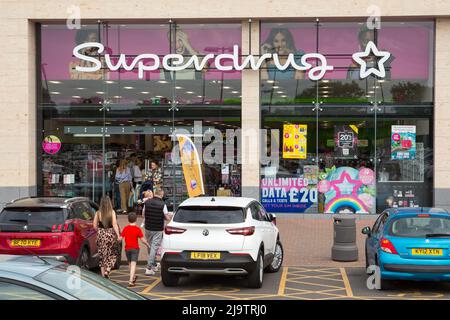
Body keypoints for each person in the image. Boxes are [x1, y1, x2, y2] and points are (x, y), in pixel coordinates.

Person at [143, 188, 170, 275]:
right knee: (154, 247)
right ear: (161, 195)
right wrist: (169, 216)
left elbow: (143, 214)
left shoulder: (147, 203)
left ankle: (154, 264)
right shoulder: (163, 204)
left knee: (150, 246)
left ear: (155, 194)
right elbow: (167, 218)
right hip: (158, 229)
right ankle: (149, 267)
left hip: (148, 227)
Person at [119, 212, 150, 287]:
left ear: (128, 220)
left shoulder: (126, 228)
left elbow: (120, 238)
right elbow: (142, 240)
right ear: (136, 219)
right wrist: (147, 244)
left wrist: (117, 239)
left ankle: (133, 276)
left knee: (130, 263)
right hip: (135, 249)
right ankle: (130, 281)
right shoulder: (137, 229)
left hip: (127, 249)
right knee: (133, 264)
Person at [93, 195, 121, 278]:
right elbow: (115, 224)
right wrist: (118, 235)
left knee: (102, 256)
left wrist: (99, 230)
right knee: (113, 254)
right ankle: (107, 270)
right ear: (109, 202)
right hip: (110, 235)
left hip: (101, 235)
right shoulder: (112, 212)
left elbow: (94, 225)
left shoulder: (98, 213)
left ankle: (103, 276)